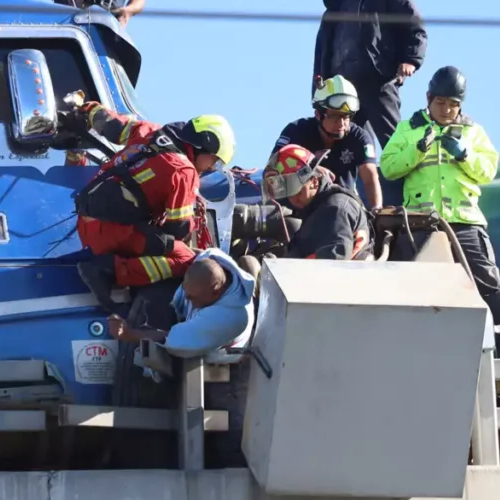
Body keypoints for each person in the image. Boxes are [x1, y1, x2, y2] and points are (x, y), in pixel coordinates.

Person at [379, 66, 500, 334]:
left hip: (465, 222)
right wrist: (418, 149)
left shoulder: (474, 132)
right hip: (421, 223)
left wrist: (464, 154)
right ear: (428, 98)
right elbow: (388, 167)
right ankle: (401, 338)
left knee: (488, 282)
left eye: (453, 104)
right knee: (410, 284)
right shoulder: (408, 129)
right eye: (441, 103)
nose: (446, 110)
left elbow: (488, 171)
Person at [60, 100, 236, 309]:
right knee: (185, 259)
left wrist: (86, 108)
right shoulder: (184, 172)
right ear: (203, 146)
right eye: (214, 161)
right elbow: (177, 230)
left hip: (85, 223)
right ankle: (109, 271)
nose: (210, 168)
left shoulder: (149, 131)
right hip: (110, 235)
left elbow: (109, 124)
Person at [107, 248, 256, 468]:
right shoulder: (211, 257)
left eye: (192, 297)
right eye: (185, 291)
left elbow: (173, 340)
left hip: (226, 375)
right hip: (206, 333)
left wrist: (130, 335)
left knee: (227, 440)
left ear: (216, 292)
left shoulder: (230, 317)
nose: (186, 298)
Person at [312, 0, 427, 152]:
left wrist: (410, 59)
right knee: (350, 149)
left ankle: (404, 184)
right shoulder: (334, 6)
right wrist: (318, 92)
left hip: (378, 79)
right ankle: (356, 185)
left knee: (394, 143)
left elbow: (414, 26)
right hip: (342, 88)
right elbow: (322, 53)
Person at [270, 76, 383, 211]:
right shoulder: (296, 131)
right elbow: (272, 173)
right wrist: (311, 170)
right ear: (318, 114)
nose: (341, 124)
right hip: (295, 213)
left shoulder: (360, 137)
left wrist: (377, 209)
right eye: (335, 116)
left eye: (346, 116)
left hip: (341, 211)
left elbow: (370, 176)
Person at [262, 144, 372, 260]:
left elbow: (335, 260)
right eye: (287, 193)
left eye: (296, 190)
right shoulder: (315, 211)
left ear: (314, 182)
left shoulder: (336, 208)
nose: (293, 198)